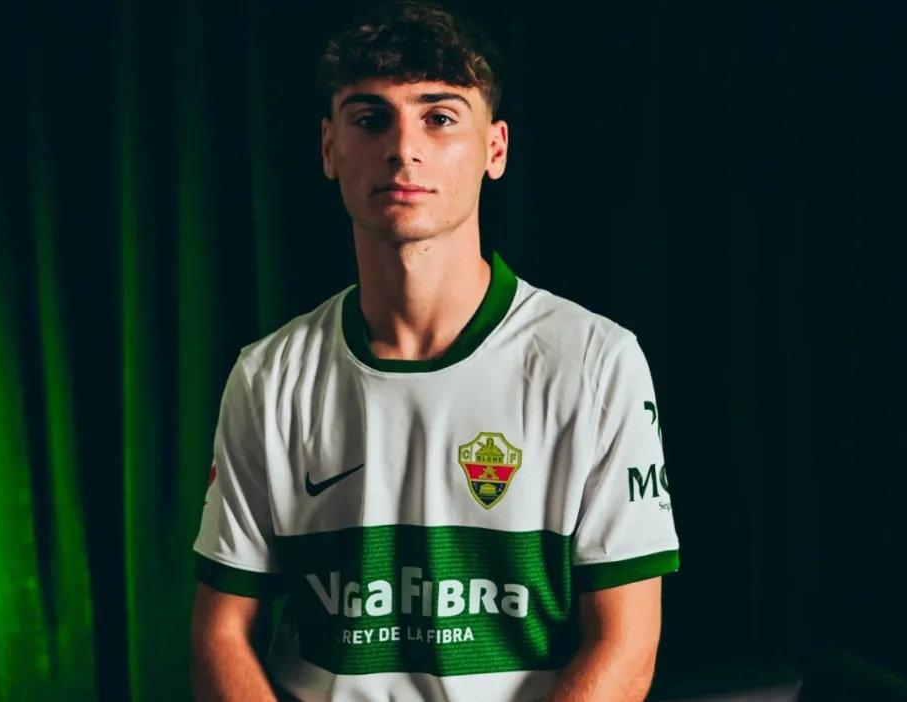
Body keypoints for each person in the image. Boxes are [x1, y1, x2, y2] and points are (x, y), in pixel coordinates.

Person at [189, 1, 680, 700]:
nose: (403, 148)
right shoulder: (268, 376)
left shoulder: (596, 363)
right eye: (370, 119)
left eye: (440, 117)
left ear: (495, 149)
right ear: (329, 147)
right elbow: (220, 634)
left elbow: (626, 645)